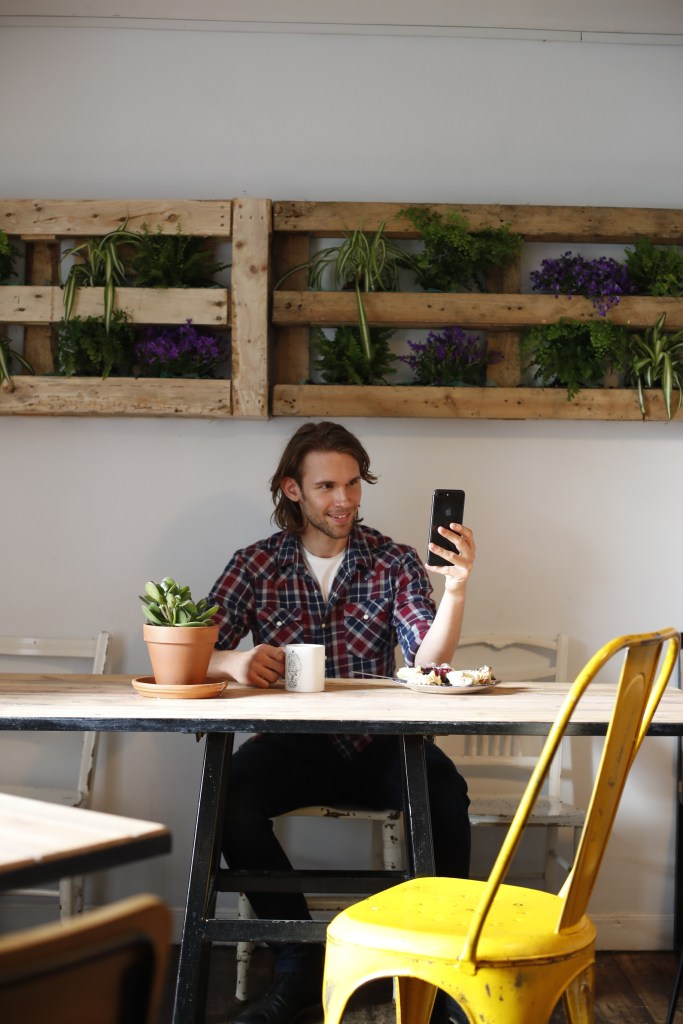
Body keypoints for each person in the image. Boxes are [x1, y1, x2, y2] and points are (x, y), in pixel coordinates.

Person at [208, 421, 475, 1024]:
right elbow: (189, 647)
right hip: (292, 746)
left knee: (445, 792)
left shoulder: (393, 559)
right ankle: (299, 960)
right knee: (227, 797)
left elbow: (427, 663)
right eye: (327, 485)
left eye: (353, 484)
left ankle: (442, 970)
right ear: (293, 489)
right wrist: (233, 661)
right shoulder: (255, 564)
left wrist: (456, 589)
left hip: (381, 744)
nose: (345, 499)